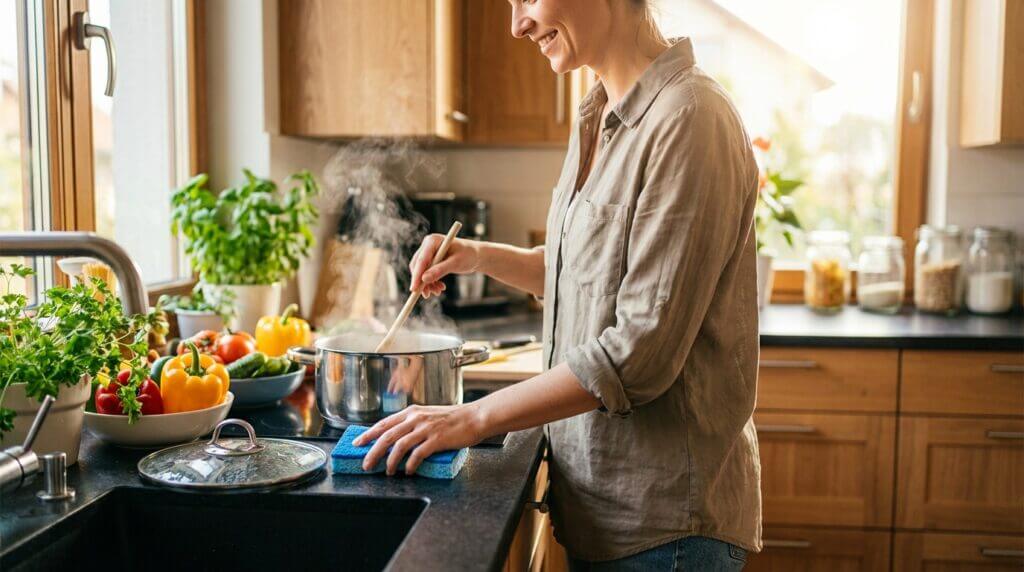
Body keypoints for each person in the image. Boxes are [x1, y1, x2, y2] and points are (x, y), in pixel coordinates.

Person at [354, 0, 762, 568]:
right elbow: (585, 273)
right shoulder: (599, 113)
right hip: (602, 509)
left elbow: (637, 352)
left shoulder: (690, 118)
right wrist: (477, 256)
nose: (516, 24)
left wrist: (470, 418)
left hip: (666, 528)